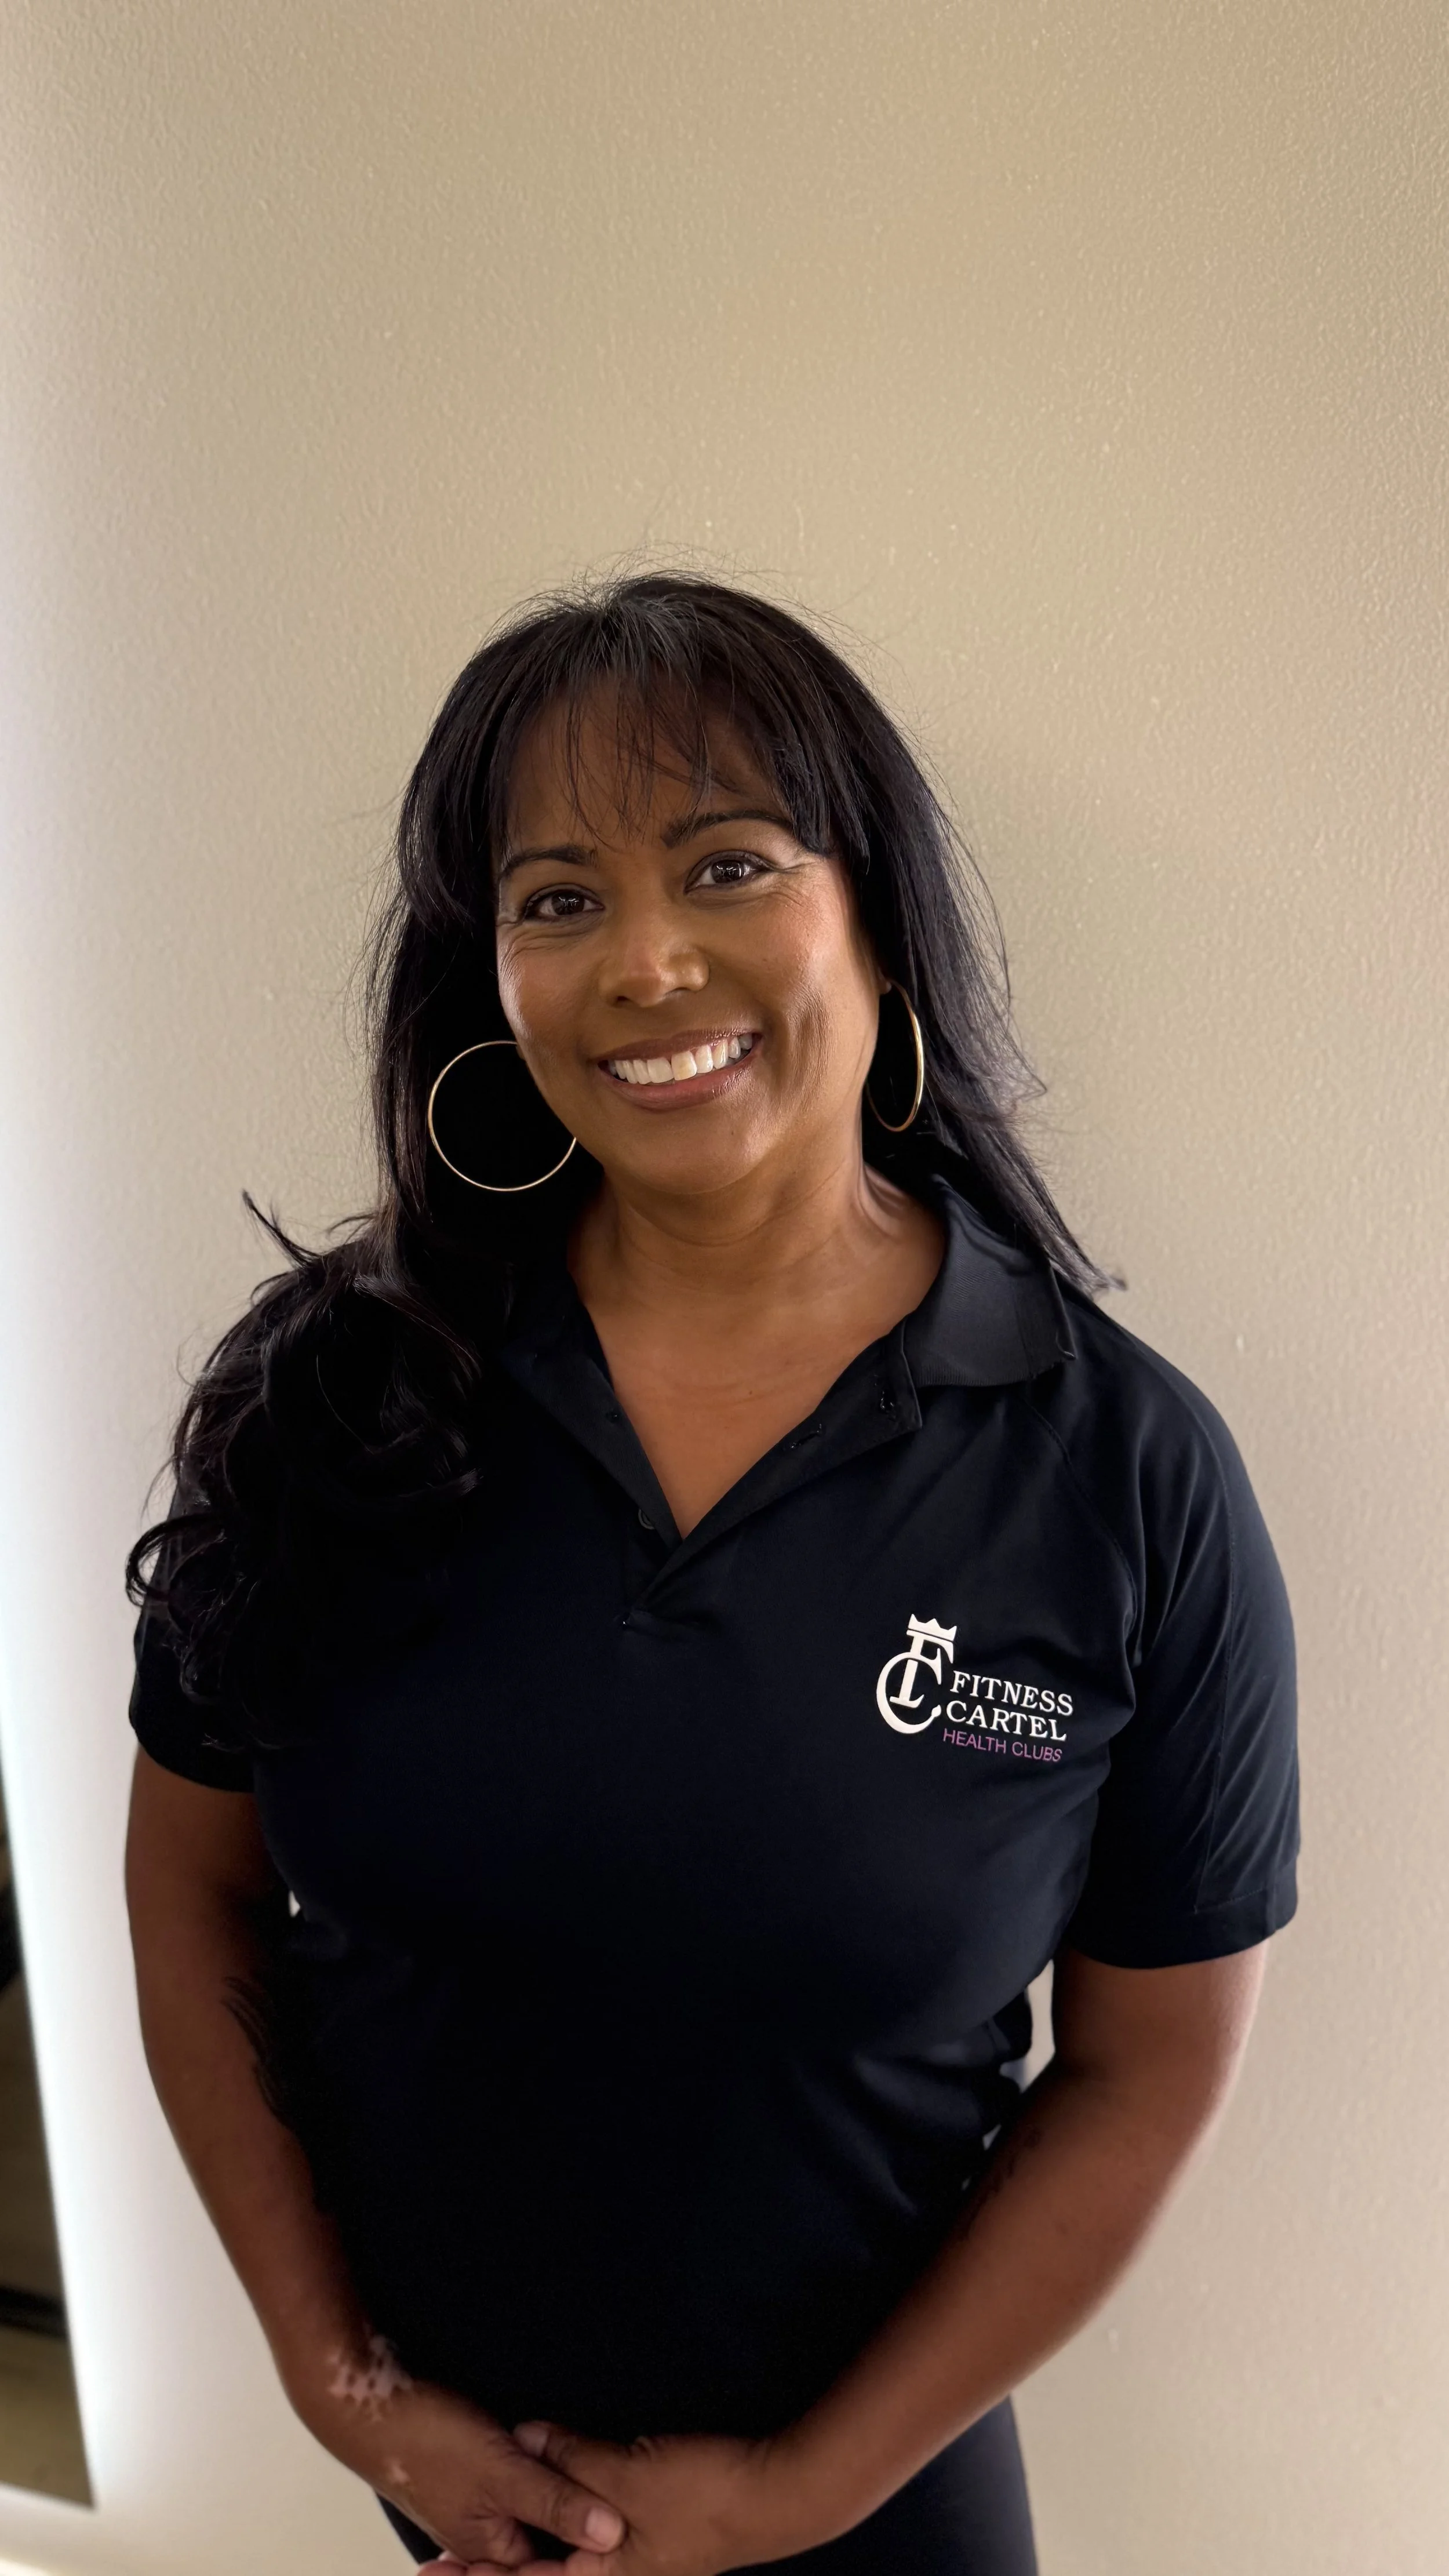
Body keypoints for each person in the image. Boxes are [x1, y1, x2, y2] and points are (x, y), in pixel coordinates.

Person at [124, 573, 1298, 2576]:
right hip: (449, 2514)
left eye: (727, 863)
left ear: (871, 910)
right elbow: (196, 1881)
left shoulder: (1121, 1470)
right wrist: (345, 2387)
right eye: (557, 898)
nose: (646, 962)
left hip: (873, 2510)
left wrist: (792, 2495)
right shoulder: (338, 1398)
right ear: (483, 972)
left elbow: (1143, 2061)